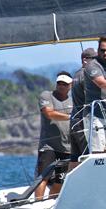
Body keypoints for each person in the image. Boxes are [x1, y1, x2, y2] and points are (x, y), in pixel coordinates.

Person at [34, 71, 73, 199]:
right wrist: (70, 117)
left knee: (60, 180)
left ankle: (52, 203)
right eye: (59, 83)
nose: (61, 86)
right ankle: (38, 203)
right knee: (42, 178)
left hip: (67, 148)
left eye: (64, 84)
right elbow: (48, 113)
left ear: (70, 86)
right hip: (48, 146)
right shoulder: (46, 96)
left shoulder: (73, 101)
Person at [69, 47, 96, 162]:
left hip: (74, 120)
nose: (96, 62)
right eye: (93, 59)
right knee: (87, 157)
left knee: (75, 158)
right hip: (83, 121)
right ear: (85, 60)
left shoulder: (76, 74)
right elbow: (89, 97)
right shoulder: (86, 75)